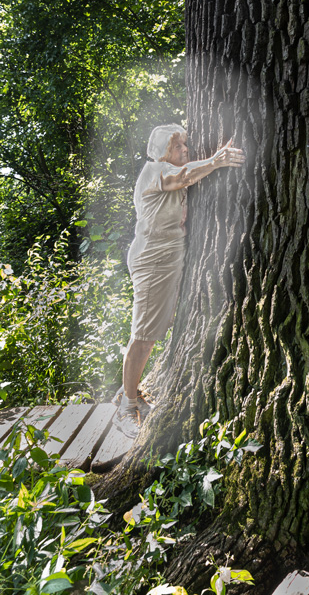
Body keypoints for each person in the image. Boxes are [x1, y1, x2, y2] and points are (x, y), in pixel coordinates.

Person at [112, 123, 245, 438]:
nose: (185, 151)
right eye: (178, 146)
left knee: (156, 328)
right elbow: (181, 177)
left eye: (185, 145)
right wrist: (217, 160)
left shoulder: (177, 169)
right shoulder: (154, 172)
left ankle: (131, 395)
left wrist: (209, 164)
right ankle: (126, 407)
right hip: (153, 260)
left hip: (168, 259)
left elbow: (187, 173)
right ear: (162, 152)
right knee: (144, 334)